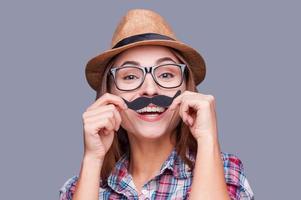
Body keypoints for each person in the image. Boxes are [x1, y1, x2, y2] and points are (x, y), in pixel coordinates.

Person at [59, 9, 254, 200]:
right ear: (109, 95)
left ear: (188, 89)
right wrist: (93, 159)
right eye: (130, 76)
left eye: (166, 74)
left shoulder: (226, 172)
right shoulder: (77, 188)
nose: (150, 90)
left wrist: (207, 138)